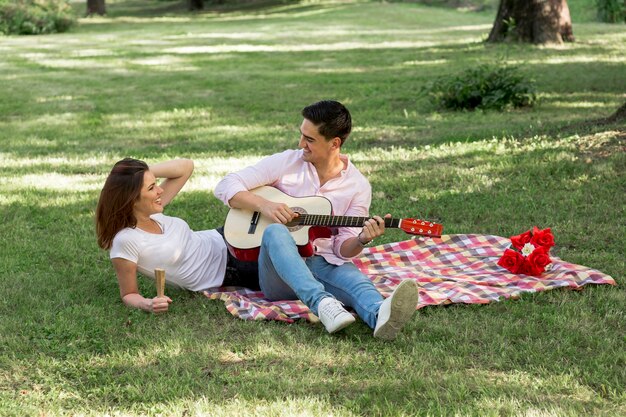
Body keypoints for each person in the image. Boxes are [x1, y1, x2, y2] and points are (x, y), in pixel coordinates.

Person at [214, 100, 419, 340]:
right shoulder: (287, 162)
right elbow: (226, 185)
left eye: (310, 140)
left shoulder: (357, 186)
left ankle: (381, 317)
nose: (301, 144)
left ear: (335, 144)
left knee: (358, 284)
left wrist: (362, 239)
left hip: (322, 262)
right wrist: (266, 206)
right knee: (276, 232)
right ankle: (323, 304)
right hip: (278, 272)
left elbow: (343, 249)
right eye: (302, 136)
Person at [95, 158, 259, 314]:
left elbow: (186, 166)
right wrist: (148, 304)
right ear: (131, 199)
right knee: (278, 244)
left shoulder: (150, 211)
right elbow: (128, 294)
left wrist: (137, 174)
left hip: (225, 236)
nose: (160, 190)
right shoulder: (126, 240)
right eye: (151, 187)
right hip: (232, 267)